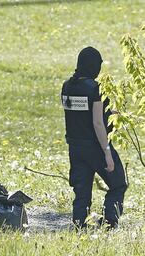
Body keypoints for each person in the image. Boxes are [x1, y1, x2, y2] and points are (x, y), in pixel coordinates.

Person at [61, 46, 127, 229]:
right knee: (118, 184)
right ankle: (109, 223)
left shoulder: (67, 86)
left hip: (75, 148)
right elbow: (97, 123)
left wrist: (111, 113)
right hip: (96, 147)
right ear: (94, 67)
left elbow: (80, 115)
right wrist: (107, 152)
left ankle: (79, 225)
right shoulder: (94, 88)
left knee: (81, 193)